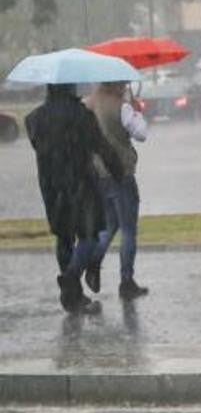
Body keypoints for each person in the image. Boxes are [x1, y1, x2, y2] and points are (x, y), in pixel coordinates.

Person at [25, 83, 126, 314]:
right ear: (70, 88)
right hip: (82, 184)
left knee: (64, 236)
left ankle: (73, 298)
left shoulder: (34, 119)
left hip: (51, 186)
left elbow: (37, 146)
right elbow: (100, 146)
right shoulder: (82, 115)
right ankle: (70, 280)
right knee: (88, 236)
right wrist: (117, 171)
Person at [83, 81, 149, 299]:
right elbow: (141, 134)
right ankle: (126, 281)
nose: (126, 85)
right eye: (124, 82)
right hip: (121, 173)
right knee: (128, 229)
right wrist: (137, 112)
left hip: (98, 175)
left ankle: (92, 264)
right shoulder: (123, 106)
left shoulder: (88, 104)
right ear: (117, 83)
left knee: (109, 225)